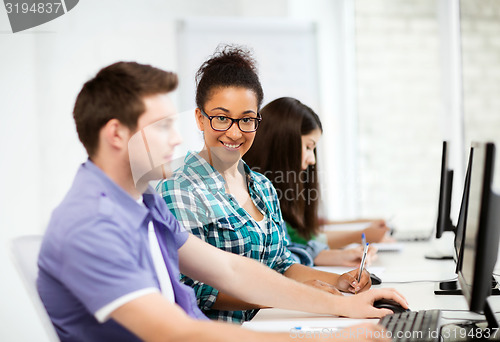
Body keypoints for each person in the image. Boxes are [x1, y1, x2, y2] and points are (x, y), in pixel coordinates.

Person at [36, 61, 405, 342]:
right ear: (117, 134)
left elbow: (231, 270)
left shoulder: (143, 202)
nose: (177, 140)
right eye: (162, 126)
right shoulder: (91, 224)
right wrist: (324, 337)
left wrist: (344, 306)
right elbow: (176, 333)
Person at [158, 45, 400, 323]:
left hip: (269, 324)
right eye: (222, 118)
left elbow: (282, 265)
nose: (235, 132)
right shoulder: (180, 191)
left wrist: (339, 281)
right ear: (200, 118)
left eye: (247, 119)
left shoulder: (261, 186)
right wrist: (295, 295)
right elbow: (194, 290)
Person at [244, 97, 390, 266]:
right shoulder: (255, 192)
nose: (312, 159)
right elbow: (301, 242)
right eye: (308, 147)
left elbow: (295, 244)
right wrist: (360, 234)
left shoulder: (274, 189)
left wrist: (360, 232)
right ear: (283, 144)